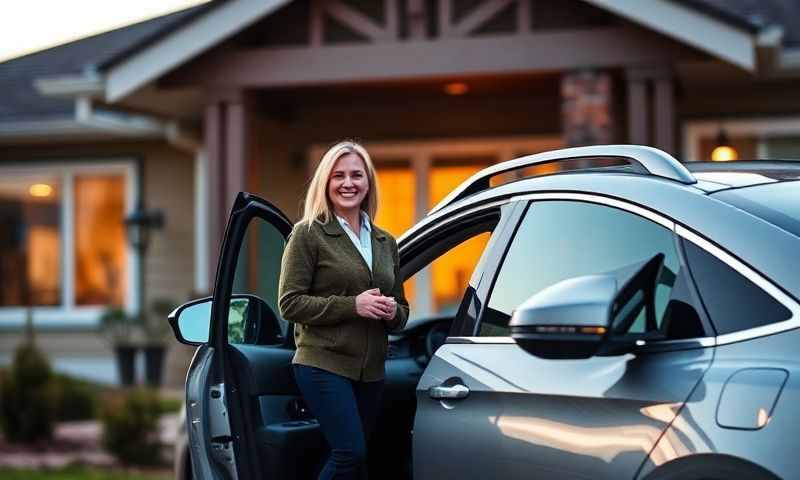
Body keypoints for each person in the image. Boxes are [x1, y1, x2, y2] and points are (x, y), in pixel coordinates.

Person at [278, 140, 409, 479]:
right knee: (349, 454)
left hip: (371, 370)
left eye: (356, 175)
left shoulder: (385, 242)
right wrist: (355, 305)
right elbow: (290, 303)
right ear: (326, 182)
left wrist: (390, 311)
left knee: (359, 462)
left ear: (368, 183)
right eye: (339, 176)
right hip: (324, 363)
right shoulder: (308, 234)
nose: (348, 183)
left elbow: (402, 309)